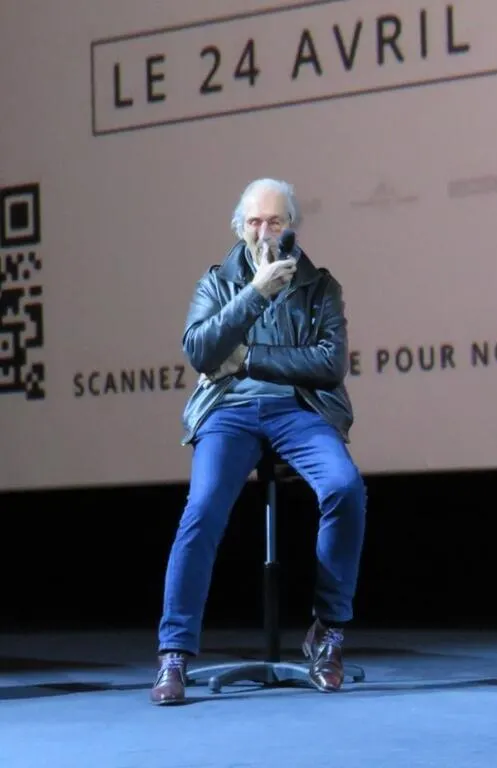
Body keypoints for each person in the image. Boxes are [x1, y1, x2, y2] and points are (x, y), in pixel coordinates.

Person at [150, 178, 367, 705]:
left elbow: (329, 364)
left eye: (275, 221)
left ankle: (328, 632)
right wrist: (256, 293)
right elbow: (201, 352)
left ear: (291, 228)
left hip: (300, 409)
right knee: (203, 507)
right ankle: (174, 652)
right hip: (229, 411)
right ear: (239, 228)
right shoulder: (217, 282)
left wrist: (247, 359)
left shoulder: (319, 286)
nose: (264, 231)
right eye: (254, 222)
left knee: (344, 488)